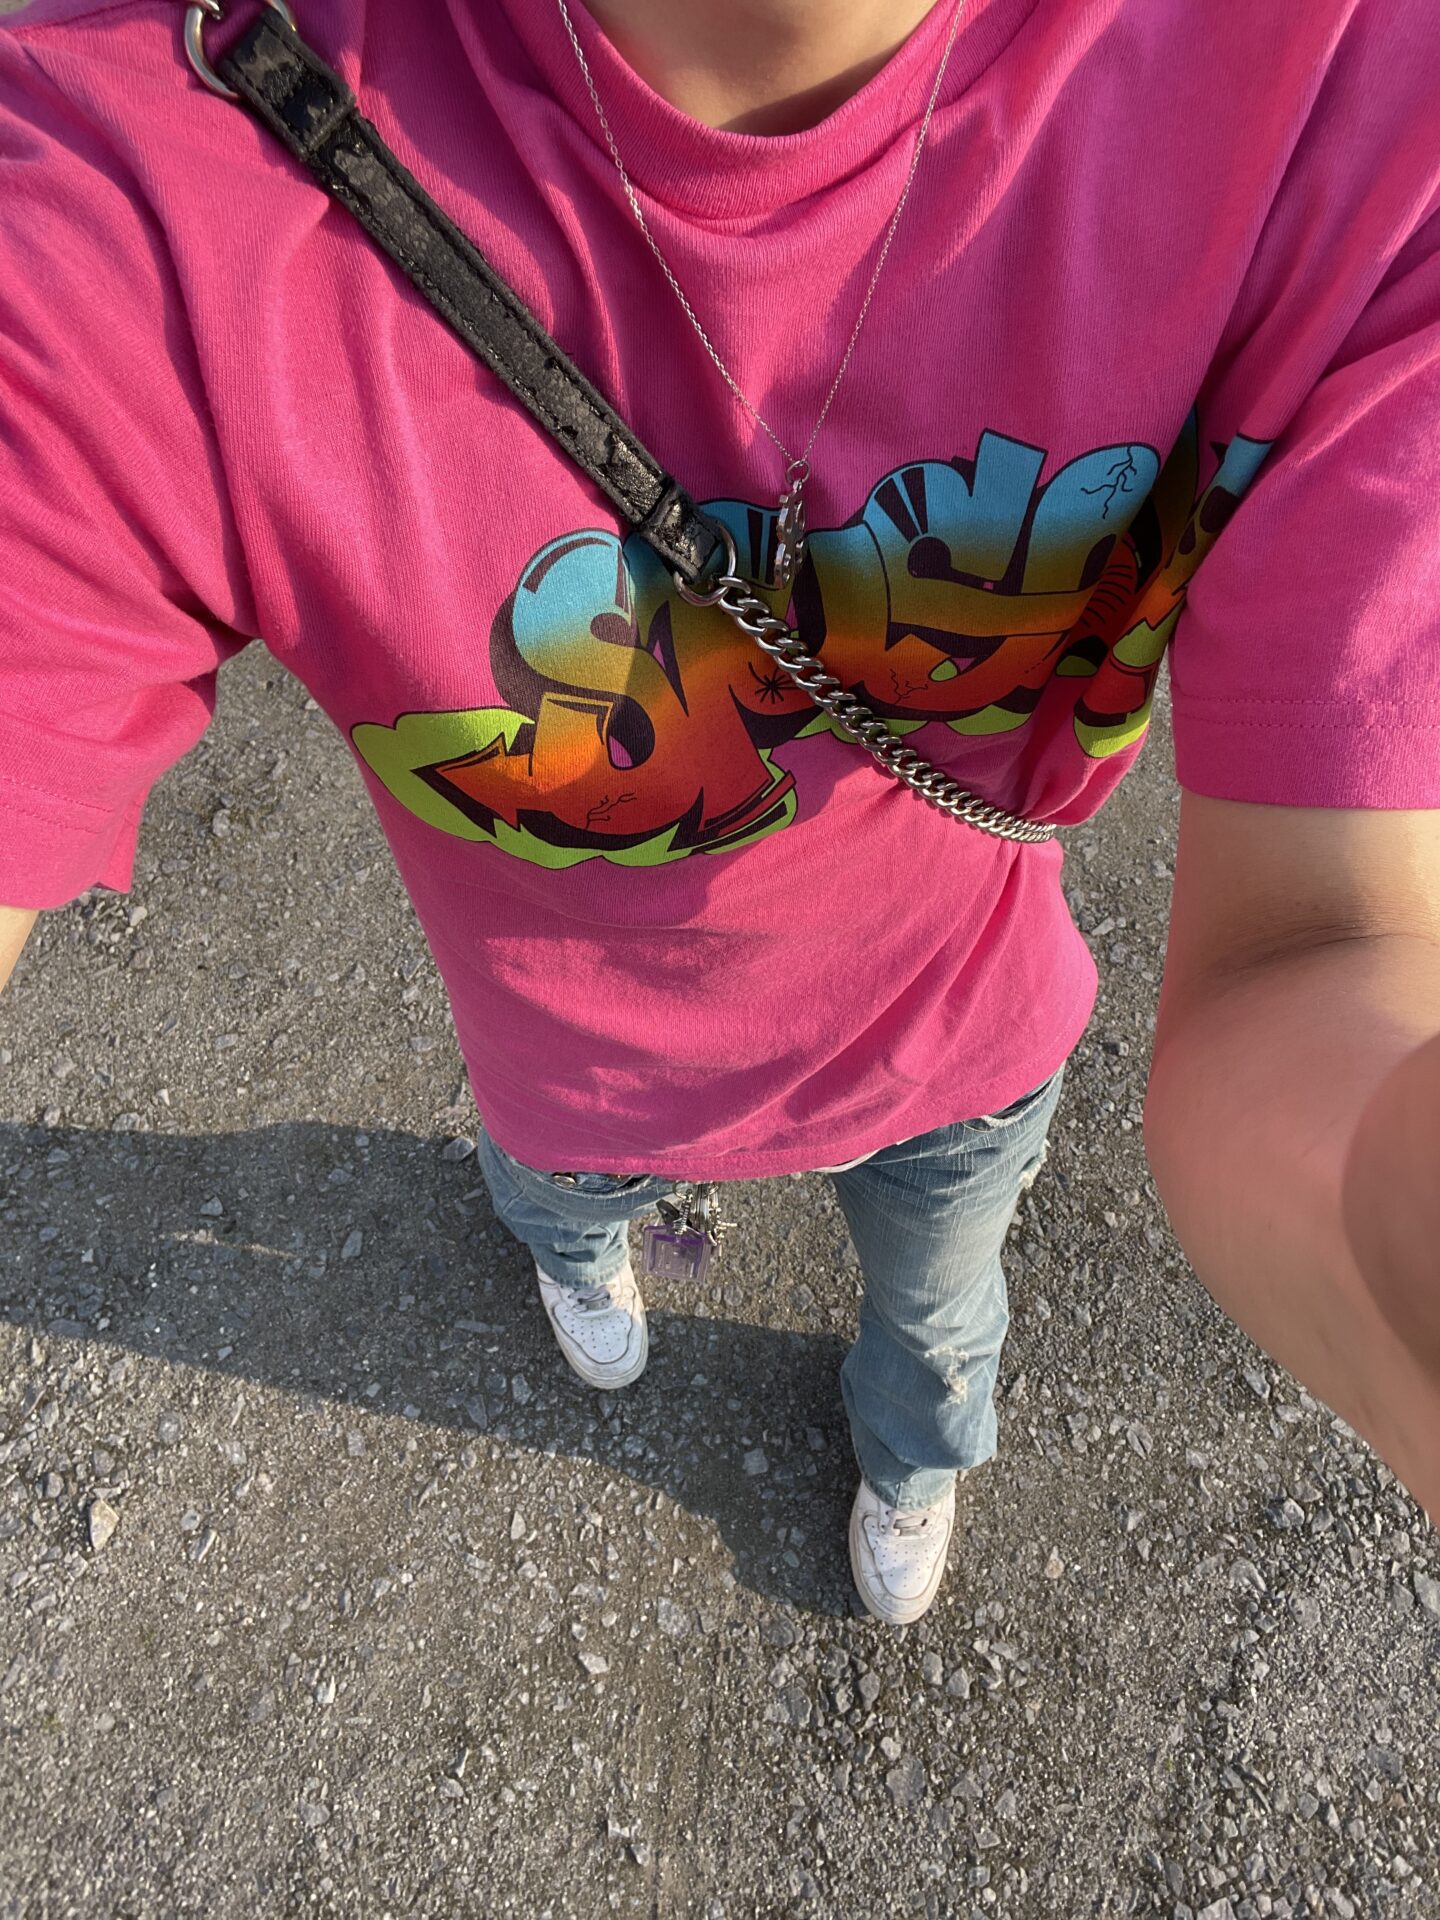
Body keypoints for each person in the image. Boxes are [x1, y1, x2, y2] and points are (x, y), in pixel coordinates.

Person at [1, 0, 1437, 1627]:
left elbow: (1338, 936)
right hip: (573, 1067)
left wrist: (1392, 1198)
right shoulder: (152, 160)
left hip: (949, 1043)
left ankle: (911, 1454)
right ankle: (594, 1264)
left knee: (941, 1328)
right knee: (574, 1207)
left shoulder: (1353, 97)